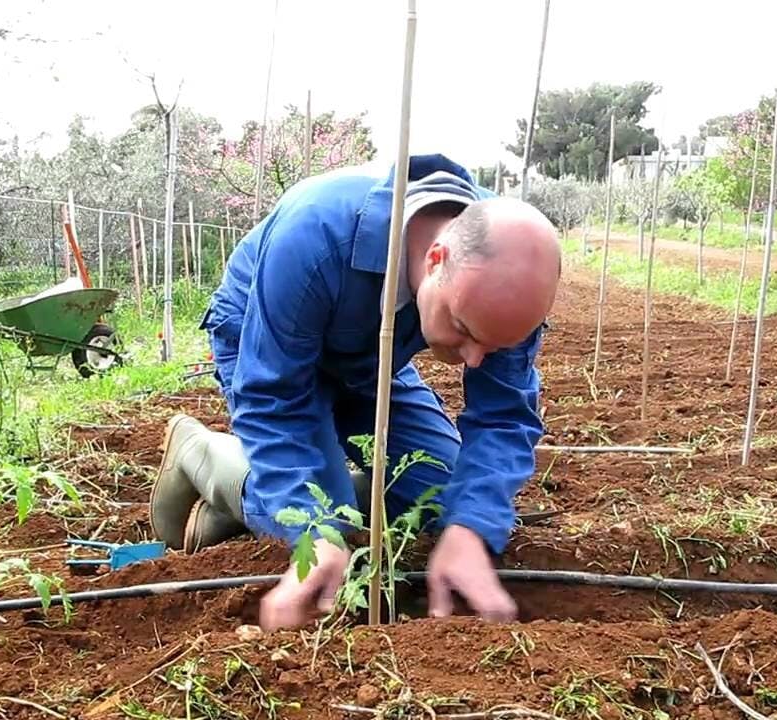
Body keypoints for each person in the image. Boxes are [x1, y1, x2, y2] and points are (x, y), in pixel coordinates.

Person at [149, 153, 562, 631]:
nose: (474, 359)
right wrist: (315, 529)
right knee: (330, 525)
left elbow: (505, 413)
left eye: (494, 345)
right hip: (263, 342)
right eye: (463, 329)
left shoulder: (510, 273)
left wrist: (469, 529)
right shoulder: (315, 236)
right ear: (435, 262)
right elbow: (274, 400)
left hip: (371, 355)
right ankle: (201, 453)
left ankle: (248, 507)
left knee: (447, 501)